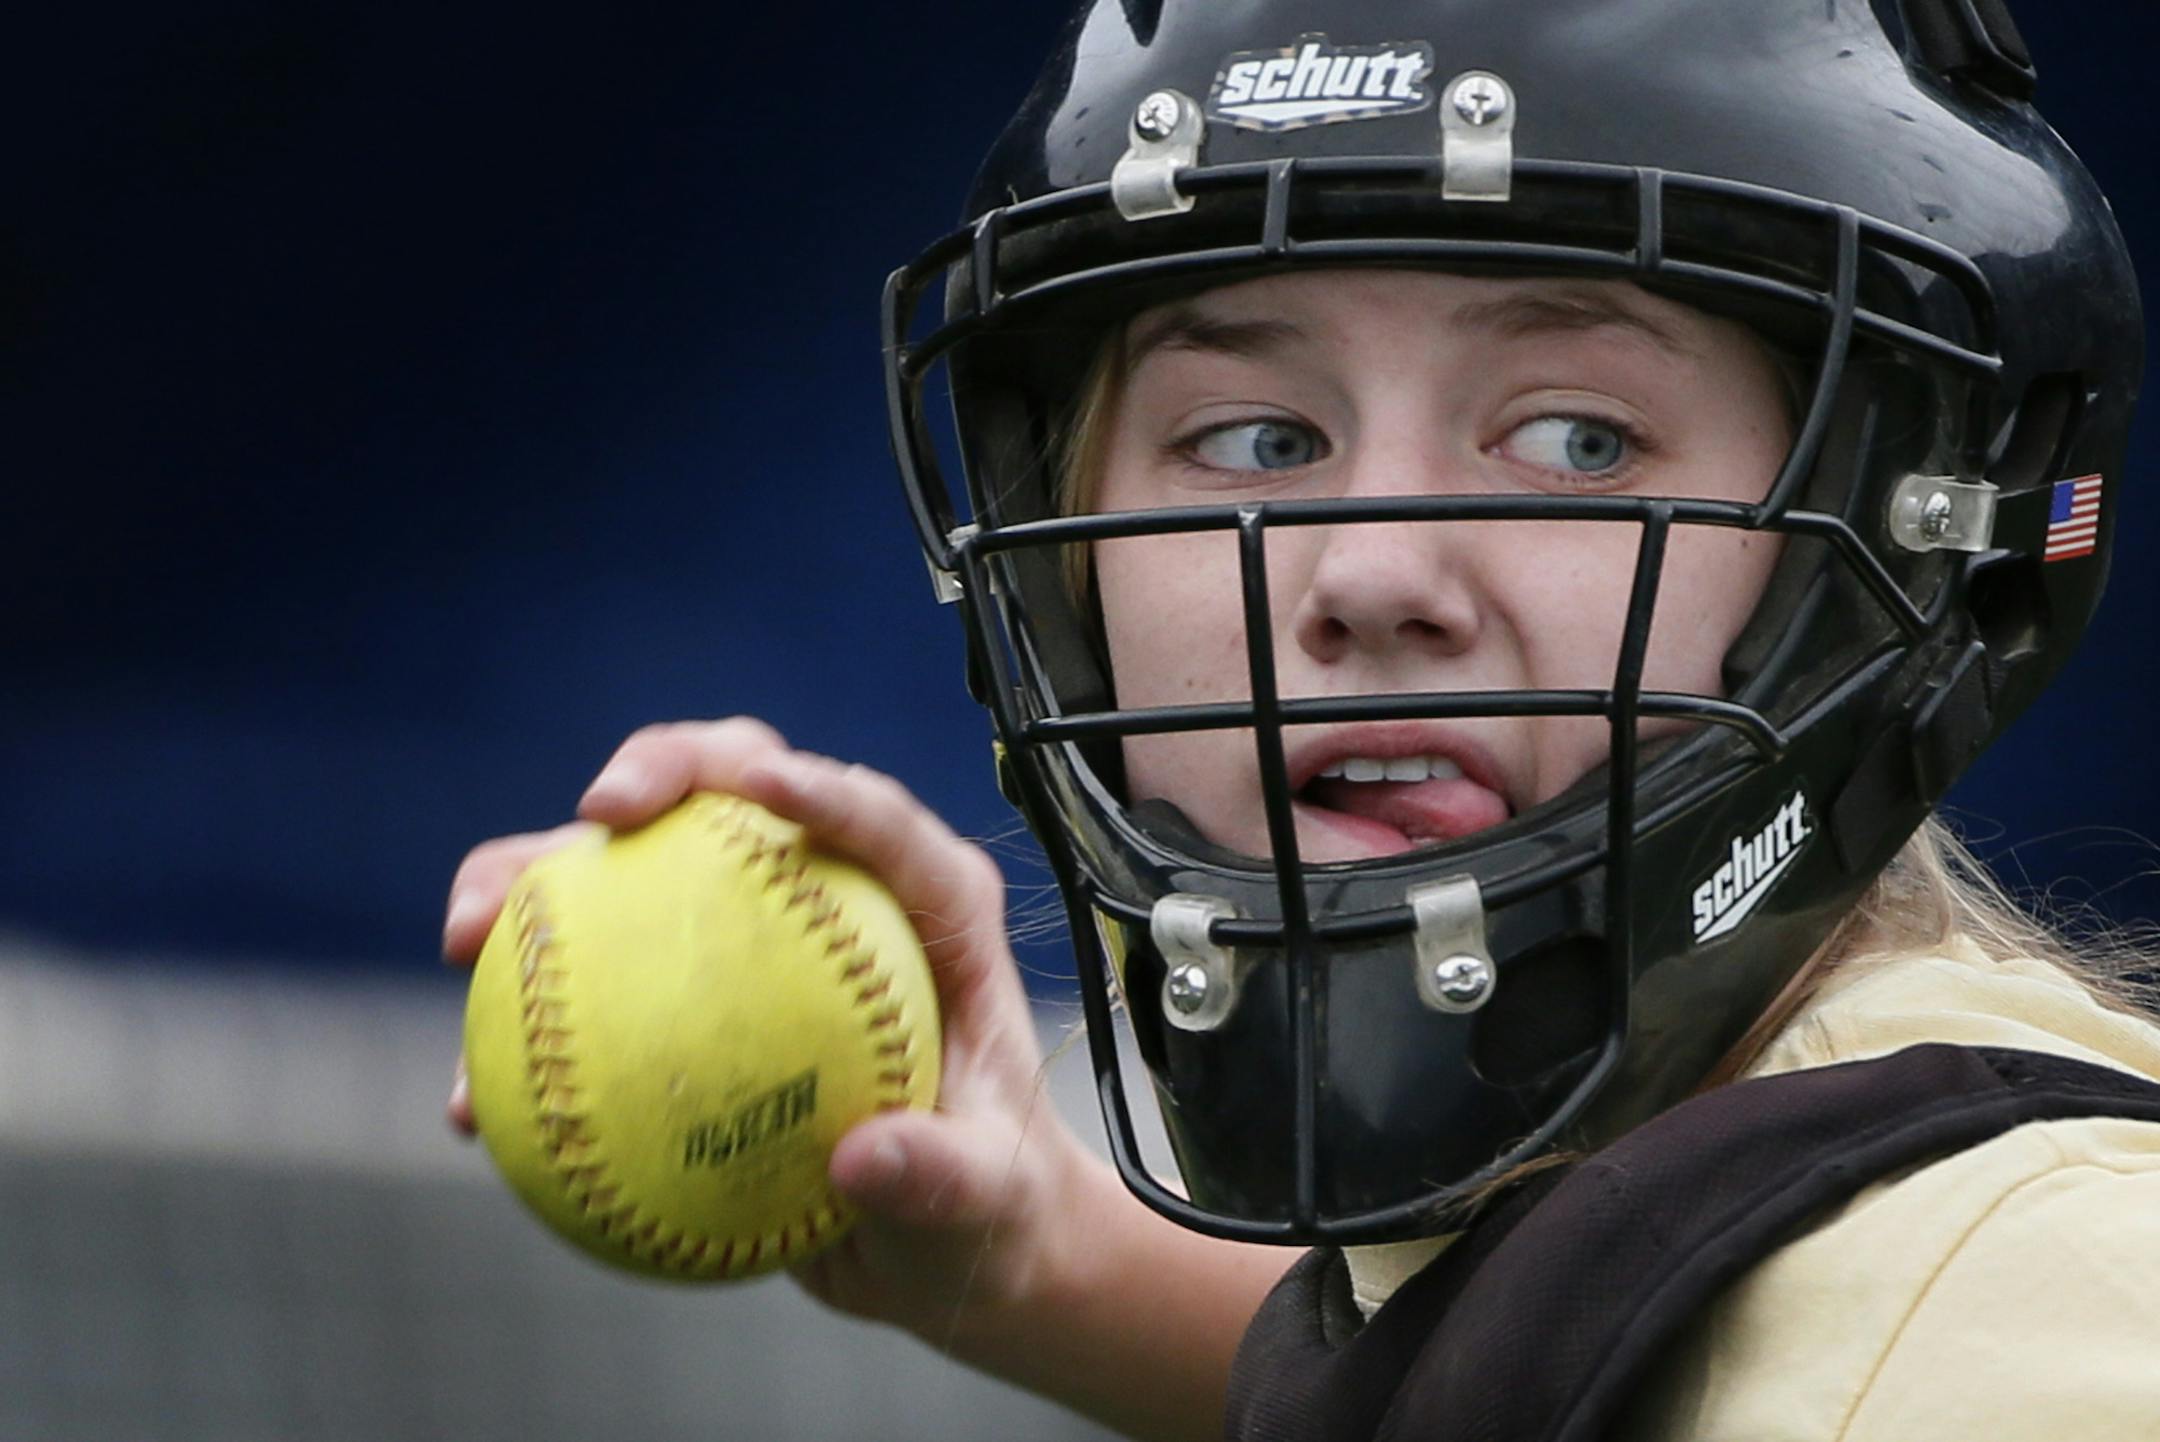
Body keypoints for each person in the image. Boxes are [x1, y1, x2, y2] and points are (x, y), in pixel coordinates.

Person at [446, 1, 2160, 1438]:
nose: (1366, 569)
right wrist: (1039, 1238)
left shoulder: (2039, 1301)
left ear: (1914, 549)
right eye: (1254, 442)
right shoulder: (1725, 1250)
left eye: (1577, 439)